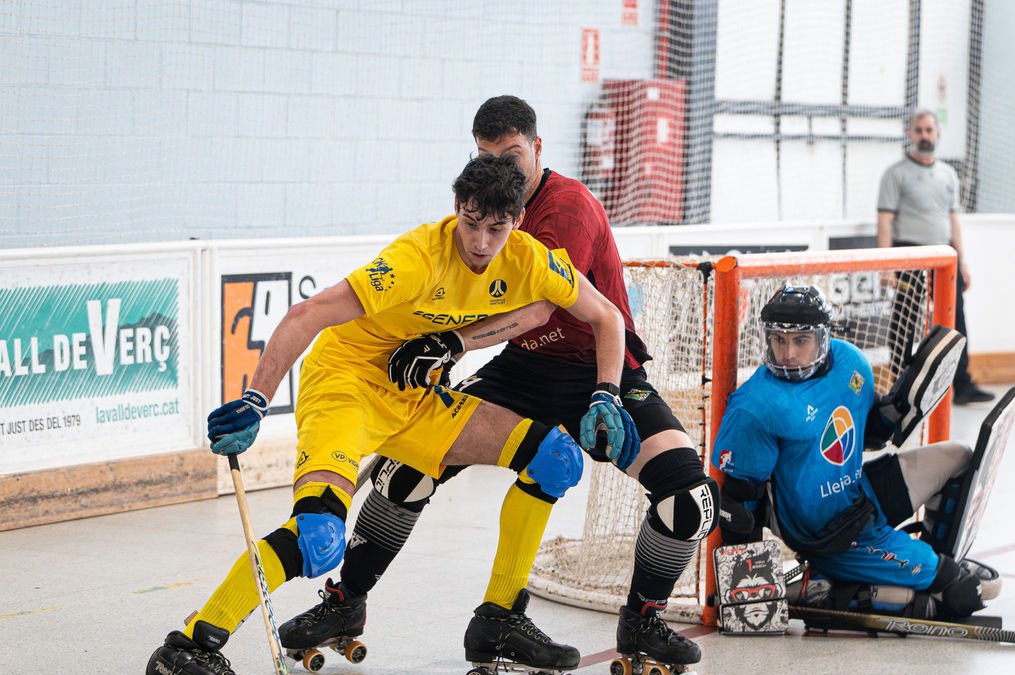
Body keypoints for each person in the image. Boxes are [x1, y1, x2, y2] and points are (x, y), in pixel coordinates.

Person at [146, 154, 637, 675]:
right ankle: (189, 648)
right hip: (347, 384)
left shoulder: (532, 260)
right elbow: (306, 314)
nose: (480, 243)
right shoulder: (416, 260)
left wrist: (606, 392)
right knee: (318, 537)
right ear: (456, 209)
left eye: (496, 229)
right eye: (471, 224)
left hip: (415, 395)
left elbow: (605, 316)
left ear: (517, 222)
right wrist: (255, 400)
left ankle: (500, 620)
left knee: (556, 460)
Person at [278, 95, 717, 670]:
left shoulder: (567, 208)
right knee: (406, 469)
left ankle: (643, 621)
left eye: (513, 156)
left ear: (538, 148)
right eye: (489, 157)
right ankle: (345, 603)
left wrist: (453, 344)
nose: (504, 170)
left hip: (597, 372)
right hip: (523, 368)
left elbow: (537, 309)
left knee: (689, 499)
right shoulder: (487, 204)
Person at [712, 285, 998, 622]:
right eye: (778, 340)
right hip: (827, 536)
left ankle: (926, 561)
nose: (787, 353)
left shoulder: (850, 363)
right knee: (960, 593)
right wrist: (745, 597)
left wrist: (893, 411)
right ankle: (819, 587)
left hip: (860, 496)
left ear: (823, 339)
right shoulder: (756, 405)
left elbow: (870, 436)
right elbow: (740, 503)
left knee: (960, 455)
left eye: (800, 341)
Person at [877, 109, 993, 405]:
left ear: (937, 134)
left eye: (929, 130)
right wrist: (887, 265)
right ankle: (901, 389)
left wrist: (961, 262)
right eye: (919, 130)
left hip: (944, 257)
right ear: (910, 134)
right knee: (905, 320)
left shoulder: (948, 175)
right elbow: (885, 221)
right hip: (909, 256)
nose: (924, 136)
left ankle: (962, 384)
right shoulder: (896, 174)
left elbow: (953, 222)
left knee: (956, 319)